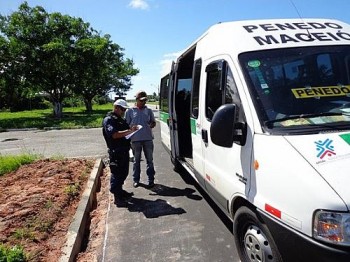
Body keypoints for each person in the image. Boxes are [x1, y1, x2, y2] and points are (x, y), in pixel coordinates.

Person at [102, 99, 138, 207]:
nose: (123, 111)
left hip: (124, 150)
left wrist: (133, 130)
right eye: (122, 109)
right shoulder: (109, 120)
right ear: (116, 107)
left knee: (124, 173)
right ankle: (117, 197)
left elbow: (126, 131)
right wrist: (129, 131)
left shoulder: (120, 120)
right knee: (117, 174)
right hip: (116, 152)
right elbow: (114, 135)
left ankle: (120, 191)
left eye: (124, 109)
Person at [125, 90, 156, 189]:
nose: (144, 102)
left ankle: (151, 180)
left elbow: (153, 122)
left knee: (150, 161)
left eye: (145, 100)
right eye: (142, 100)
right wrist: (131, 129)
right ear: (137, 100)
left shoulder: (149, 110)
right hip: (135, 140)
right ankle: (136, 180)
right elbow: (126, 125)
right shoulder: (130, 111)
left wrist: (152, 124)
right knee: (136, 161)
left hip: (148, 139)